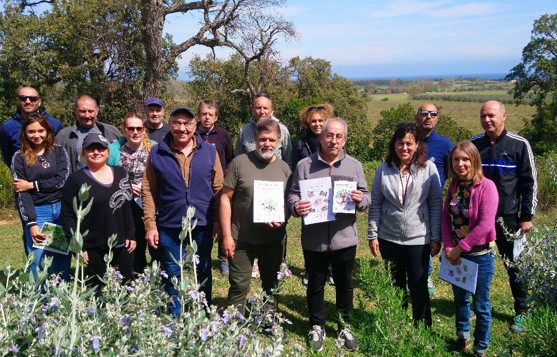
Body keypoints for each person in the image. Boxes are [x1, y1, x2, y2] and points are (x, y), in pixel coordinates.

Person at [288, 118, 370, 352]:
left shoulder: (354, 166)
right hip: (314, 238)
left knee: (344, 285)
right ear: (321, 137)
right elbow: (293, 195)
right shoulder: (304, 165)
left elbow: (367, 195)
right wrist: (296, 207)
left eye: (339, 136)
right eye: (329, 136)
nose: (333, 141)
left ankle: (344, 326)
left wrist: (360, 200)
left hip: (345, 237)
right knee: (315, 284)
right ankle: (317, 325)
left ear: (345, 139)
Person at [142, 105, 223, 313]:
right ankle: (176, 315)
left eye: (187, 123)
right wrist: (150, 224)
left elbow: (218, 188)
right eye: (177, 123)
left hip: (202, 222)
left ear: (194, 125)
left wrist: (218, 221)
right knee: (171, 270)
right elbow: (149, 189)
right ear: (170, 124)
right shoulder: (157, 152)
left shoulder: (209, 151)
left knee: (203, 269)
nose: (182, 128)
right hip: (169, 223)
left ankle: (204, 312)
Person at [471, 100, 538, 333]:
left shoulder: (519, 145)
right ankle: (474, 304)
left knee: (515, 265)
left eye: (491, 115)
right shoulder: (474, 145)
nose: (487, 120)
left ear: (504, 116)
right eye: (483, 116)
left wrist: (526, 216)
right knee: (475, 262)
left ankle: (522, 310)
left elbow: (529, 182)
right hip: (477, 218)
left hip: (508, 218)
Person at [367, 124, 443, 328]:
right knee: (395, 286)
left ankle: (423, 331)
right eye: (400, 143)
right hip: (389, 237)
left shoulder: (429, 169)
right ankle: (397, 328)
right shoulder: (383, 169)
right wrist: (372, 235)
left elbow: (436, 204)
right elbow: (376, 204)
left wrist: (436, 237)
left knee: (419, 287)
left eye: (409, 143)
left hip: (419, 238)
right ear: (394, 145)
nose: (404, 147)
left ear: (417, 144)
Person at [220, 118, 291, 314]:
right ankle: (234, 325)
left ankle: (270, 320)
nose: (267, 144)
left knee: (271, 284)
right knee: (239, 285)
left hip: (273, 239)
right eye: (262, 139)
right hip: (241, 237)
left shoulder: (284, 169)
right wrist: (227, 236)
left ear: (278, 142)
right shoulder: (239, 163)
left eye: (272, 140)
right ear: (255, 139)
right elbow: (225, 199)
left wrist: (283, 216)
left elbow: (288, 202)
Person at [441, 141, 498, 357]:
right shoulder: (454, 186)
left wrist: (460, 248)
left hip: (479, 256)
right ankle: (462, 337)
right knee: (460, 299)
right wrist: (448, 246)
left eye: (465, 159)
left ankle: (480, 348)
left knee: (481, 304)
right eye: (456, 159)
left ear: (474, 160)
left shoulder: (487, 187)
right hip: (456, 257)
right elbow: (446, 218)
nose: (460, 163)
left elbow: (485, 224)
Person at [61, 133, 136, 287]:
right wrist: (78, 247)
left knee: (126, 285)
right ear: (84, 153)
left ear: (107, 152)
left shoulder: (121, 173)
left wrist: (131, 234)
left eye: (100, 148)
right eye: (91, 149)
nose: (96, 152)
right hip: (93, 246)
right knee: (100, 289)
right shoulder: (75, 180)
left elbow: (128, 207)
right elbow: (68, 216)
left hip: (123, 244)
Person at [11, 113, 70, 279]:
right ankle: (37, 301)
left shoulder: (58, 151)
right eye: (31, 132)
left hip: (60, 209)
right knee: (38, 257)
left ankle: (60, 299)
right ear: (24, 133)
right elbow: (22, 193)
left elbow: (62, 180)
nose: (36, 135)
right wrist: (31, 223)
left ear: (48, 131)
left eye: (40, 131)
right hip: (38, 211)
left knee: (60, 256)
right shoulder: (19, 158)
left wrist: (32, 185)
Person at [107, 113, 158, 273]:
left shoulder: (155, 149)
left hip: (151, 205)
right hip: (125, 206)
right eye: (131, 128)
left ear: (144, 130)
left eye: (139, 128)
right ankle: (135, 278)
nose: (135, 132)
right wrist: (126, 186)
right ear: (124, 129)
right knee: (133, 245)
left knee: (155, 244)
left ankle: (159, 279)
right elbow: (106, 177)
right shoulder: (114, 150)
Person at [292, 104, 336, 287]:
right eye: (313, 121)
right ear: (307, 122)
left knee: (332, 231)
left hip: (330, 192)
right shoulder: (301, 143)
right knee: (310, 232)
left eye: (320, 120)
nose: (317, 124)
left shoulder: (332, 140)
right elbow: (295, 168)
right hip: (309, 194)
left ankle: (331, 270)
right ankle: (310, 269)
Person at [414, 102, 454, 295]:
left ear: (437, 118)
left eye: (433, 114)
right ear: (417, 117)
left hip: (432, 203)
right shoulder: (409, 140)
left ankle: (426, 276)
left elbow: (453, 171)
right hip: (408, 202)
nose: (428, 116)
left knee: (429, 239)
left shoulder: (445, 145)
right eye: (424, 113)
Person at [195, 99, 234, 276]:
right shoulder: (191, 133)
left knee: (222, 219)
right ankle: (195, 256)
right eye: (204, 114)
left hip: (220, 185)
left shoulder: (224, 135)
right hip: (198, 185)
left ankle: (223, 259)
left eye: (211, 114)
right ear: (198, 115)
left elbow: (230, 158)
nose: (207, 117)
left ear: (216, 117)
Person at [1, 86, 64, 168]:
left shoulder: (55, 124)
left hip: (52, 177)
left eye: (32, 99)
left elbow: (61, 153)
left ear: (39, 102)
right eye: (23, 98)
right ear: (18, 101)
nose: (28, 101)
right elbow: (8, 156)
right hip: (23, 177)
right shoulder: (7, 127)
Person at [56, 95, 121, 173]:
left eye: (90, 111)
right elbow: (55, 162)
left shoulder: (111, 131)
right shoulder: (64, 135)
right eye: (82, 111)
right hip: (79, 183)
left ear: (97, 111)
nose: (87, 115)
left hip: (109, 181)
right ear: (75, 111)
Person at [234, 93, 293, 169]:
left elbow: (288, 160)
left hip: (276, 177)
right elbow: (238, 158)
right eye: (258, 108)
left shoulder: (282, 130)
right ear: (252, 110)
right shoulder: (244, 130)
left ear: (272, 111)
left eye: (265, 108)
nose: (262, 112)